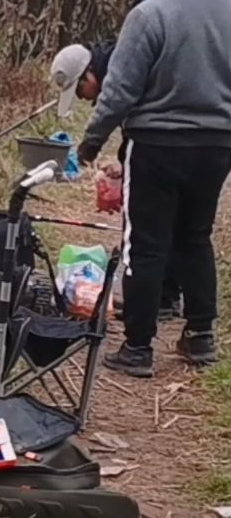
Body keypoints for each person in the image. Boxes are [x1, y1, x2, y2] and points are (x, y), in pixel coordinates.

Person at [77, 0, 231, 377]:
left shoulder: (149, 14)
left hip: (158, 144)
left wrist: (90, 144)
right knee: (195, 236)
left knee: (145, 244)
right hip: (218, 146)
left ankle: (138, 348)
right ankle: (200, 336)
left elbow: (119, 91)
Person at [50, 40, 183, 319]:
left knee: (145, 233)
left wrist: (90, 147)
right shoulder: (121, 62)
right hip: (189, 144)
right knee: (182, 229)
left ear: (89, 73)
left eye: (79, 89)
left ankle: (146, 311)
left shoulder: (121, 70)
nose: (85, 99)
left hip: (165, 144)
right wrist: (126, 165)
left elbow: (129, 115)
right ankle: (168, 299)